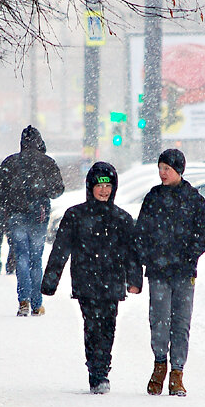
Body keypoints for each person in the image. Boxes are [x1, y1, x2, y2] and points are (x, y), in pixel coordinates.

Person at [41, 162, 143, 394]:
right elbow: (60, 250)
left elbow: (131, 252)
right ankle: (95, 373)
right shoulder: (75, 215)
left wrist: (134, 280)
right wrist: (50, 281)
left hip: (113, 281)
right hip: (86, 281)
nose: (104, 190)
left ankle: (103, 370)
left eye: (108, 185)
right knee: (91, 325)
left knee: (108, 326)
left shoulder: (122, 219)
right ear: (91, 186)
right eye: (100, 185)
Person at [133, 148, 205, 397]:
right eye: (160, 168)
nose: (162, 173)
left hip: (184, 273)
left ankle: (177, 374)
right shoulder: (153, 197)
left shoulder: (193, 199)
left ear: (179, 170)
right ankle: (159, 367)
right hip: (158, 272)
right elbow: (141, 232)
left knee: (180, 323)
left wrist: (189, 255)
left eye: (167, 168)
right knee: (159, 321)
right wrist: (148, 255)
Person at [0, 125, 65, 317]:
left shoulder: (10, 163)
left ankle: (23, 300)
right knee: (36, 259)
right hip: (39, 215)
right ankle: (37, 303)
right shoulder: (47, 163)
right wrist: (41, 194)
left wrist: (11, 204)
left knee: (21, 258)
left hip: (16, 215)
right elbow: (58, 190)